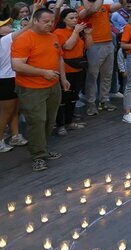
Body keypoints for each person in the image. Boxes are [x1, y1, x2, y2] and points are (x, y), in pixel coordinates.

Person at [10, 9, 68, 171]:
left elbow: (59, 57)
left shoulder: (53, 36)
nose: (50, 24)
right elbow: (17, 65)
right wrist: (43, 73)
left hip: (53, 86)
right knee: (37, 121)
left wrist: (63, 79)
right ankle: (38, 156)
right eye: (46, 21)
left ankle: (42, 148)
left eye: (51, 21)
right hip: (31, 89)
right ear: (35, 20)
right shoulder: (24, 39)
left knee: (50, 119)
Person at [78, 0, 122, 116]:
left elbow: (120, 5)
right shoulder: (81, 9)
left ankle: (104, 100)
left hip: (108, 43)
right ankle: (91, 103)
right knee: (92, 76)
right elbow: (92, 10)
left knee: (107, 75)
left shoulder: (104, 6)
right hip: (94, 45)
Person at [53, 9, 93, 134]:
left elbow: (89, 46)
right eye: (71, 18)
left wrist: (87, 34)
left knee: (73, 97)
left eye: (76, 17)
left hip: (79, 67)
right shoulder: (59, 32)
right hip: (66, 68)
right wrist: (76, 31)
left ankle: (69, 122)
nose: (75, 20)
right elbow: (68, 46)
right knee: (63, 98)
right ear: (63, 19)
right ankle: (60, 125)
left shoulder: (79, 31)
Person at [0, 17, 29, 152]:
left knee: (15, 110)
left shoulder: (7, 40)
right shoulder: (4, 40)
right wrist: (36, 9)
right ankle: (0, 141)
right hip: (6, 80)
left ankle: (15, 135)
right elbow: (28, 27)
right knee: (5, 113)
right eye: (5, 25)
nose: (9, 25)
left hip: (12, 78)